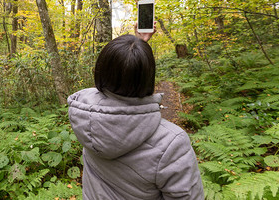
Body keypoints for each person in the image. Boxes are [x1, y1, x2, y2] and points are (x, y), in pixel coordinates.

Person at [67, 24, 204, 200]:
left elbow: (116, 75)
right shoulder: (172, 144)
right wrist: (138, 50)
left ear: (100, 72)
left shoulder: (86, 117)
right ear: (149, 78)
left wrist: (138, 44)